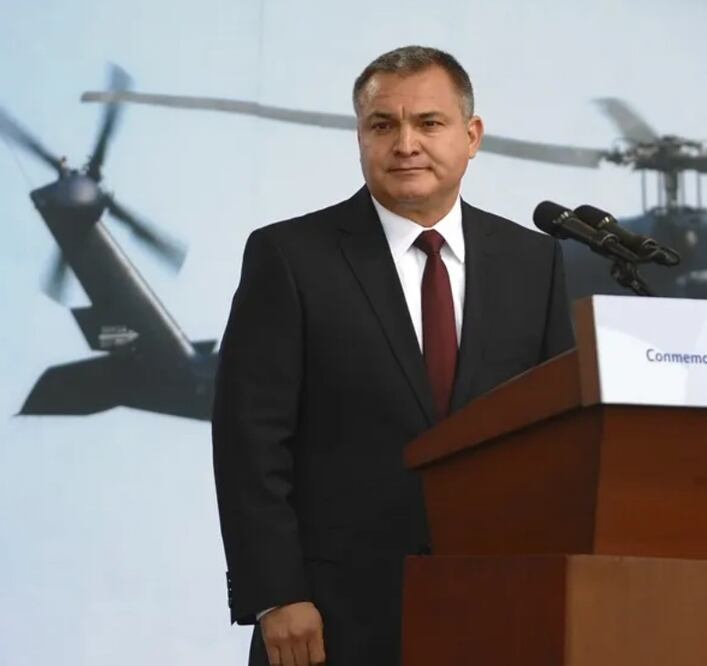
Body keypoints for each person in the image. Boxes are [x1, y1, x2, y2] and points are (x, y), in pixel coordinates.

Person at [212, 45, 575, 666]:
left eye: (429, 123)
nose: (406, 143)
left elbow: (558, 438)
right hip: (330, 619)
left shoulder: (533, 262)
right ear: (361, 137)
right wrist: (277, 595)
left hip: (498, 612)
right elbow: (250, 439)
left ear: (471, 135)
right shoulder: (291, 257)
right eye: (383, 125)